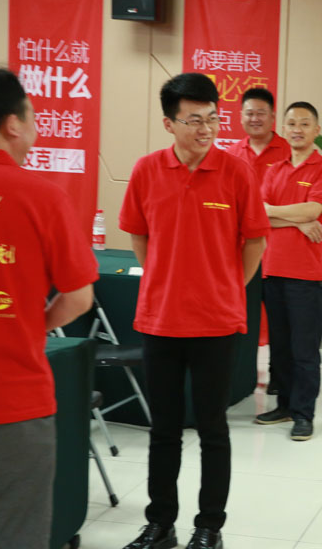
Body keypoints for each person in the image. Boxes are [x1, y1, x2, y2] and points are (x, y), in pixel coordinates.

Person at [0, 68, 97, 548]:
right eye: (32, 114)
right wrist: (33, 326)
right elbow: (79, 297)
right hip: (13, 402)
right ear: (13, 123)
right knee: (18, 537)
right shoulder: (43, 197)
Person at [119, 73, 268, 549]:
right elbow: (138, 234)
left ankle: (209, 527)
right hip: (160, 320)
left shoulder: (236, 171)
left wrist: (225, 287)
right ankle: (160, 524)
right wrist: (165, 278)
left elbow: (255, 240)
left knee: (212, 430)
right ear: (169, 123)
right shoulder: (146, 170)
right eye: (194, 120)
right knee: (163, 430)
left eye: (213, 119)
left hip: (216, 322)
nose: (206, 129)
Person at [253, 101, 322, 441]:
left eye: (304, 124)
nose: (297, 129)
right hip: (272, 271)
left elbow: (313, 210)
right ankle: (285, 406)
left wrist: (294, 215)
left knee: (304, 352)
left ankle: (304, 415)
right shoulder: (274, 169)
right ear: (283, 129)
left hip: (307, 275)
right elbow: (259, 214)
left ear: (316, 130)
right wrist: (298, 220)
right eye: (291, 123)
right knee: (280, 348)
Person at [227, 87, 292, 394]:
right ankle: (240, 375)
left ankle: (280, 378)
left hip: (281, 249)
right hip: (242, 249)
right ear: (240, 116)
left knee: (279, 318)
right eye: (249, 113)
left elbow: (294, 205)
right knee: (241, 313)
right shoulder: (231, 154)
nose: (255, 119)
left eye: (261, 113)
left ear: (273, 117)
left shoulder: (288, 151)